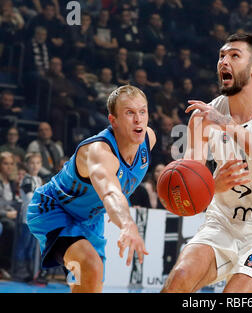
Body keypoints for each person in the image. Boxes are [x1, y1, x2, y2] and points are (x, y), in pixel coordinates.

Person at [162, 33, 252, 293]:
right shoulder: (202, 118)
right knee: (179, 279)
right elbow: (192, 185)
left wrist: (228, 125)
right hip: (223, 222)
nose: (224, 61)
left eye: (234, 56)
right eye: (221, 56)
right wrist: (212, 185)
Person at [26, 85, 156, 292]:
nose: (138, 119)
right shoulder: (99, 151)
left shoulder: (148, 139)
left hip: (90, 219)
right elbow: (110, 192)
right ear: (113, 120)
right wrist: (127, 224)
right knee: (91, 266)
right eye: (129, 113)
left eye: (142, 111)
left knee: (90, 284)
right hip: (54, 209)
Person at [13, 153, 43, 282]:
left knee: (31, 247)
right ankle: (19, 271)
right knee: (23, 245)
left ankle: (31, 271)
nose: (34, 166)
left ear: (41, 165)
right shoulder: (26, 179)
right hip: (27, 219)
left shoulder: (39, 180)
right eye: (32, 163)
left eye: (37, 163)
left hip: (36, 220)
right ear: (26, 165)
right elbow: (31, 198)